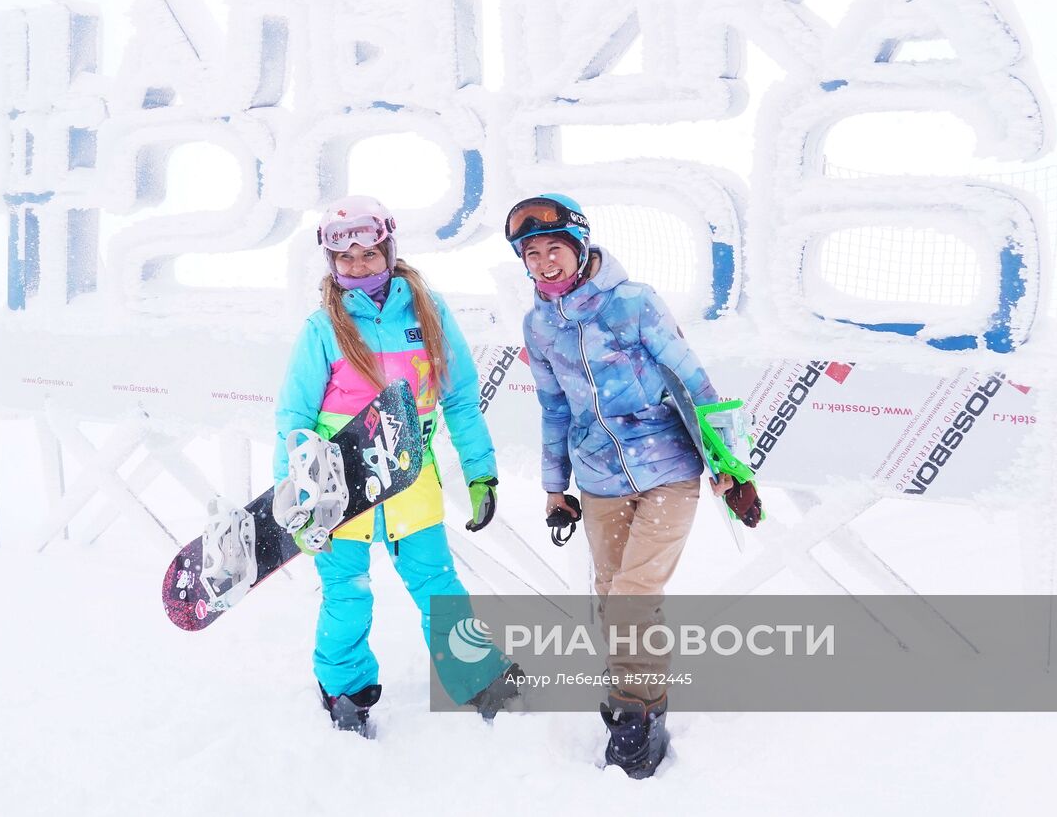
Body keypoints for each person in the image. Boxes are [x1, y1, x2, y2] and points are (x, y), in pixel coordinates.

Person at [505, 193, 754, 778]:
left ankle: (643, 714)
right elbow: (553, 408)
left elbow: (695, 381)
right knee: (609, 597)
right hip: (597, 476)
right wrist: (553, 486)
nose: (545, 263)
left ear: (580, 245)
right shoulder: (539, 325)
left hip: (667, 465)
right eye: (532, 254)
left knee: (632, 598)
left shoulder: (634, 303)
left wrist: (732, 468)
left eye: (554, 249)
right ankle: (628, 705)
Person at [275, 195, 517, 736]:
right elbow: (293, 416)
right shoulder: (323, 328)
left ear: (388, 249)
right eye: (346, 257)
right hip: (337, 491)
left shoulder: (429, 313)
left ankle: (477, 675)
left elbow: (459, 398)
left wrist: (481, 471)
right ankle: (344, 687)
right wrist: (293, 493)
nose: (358, 265)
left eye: (368, 253)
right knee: (348, 595)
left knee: (439, 587)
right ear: (331, 263)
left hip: (410, 480)